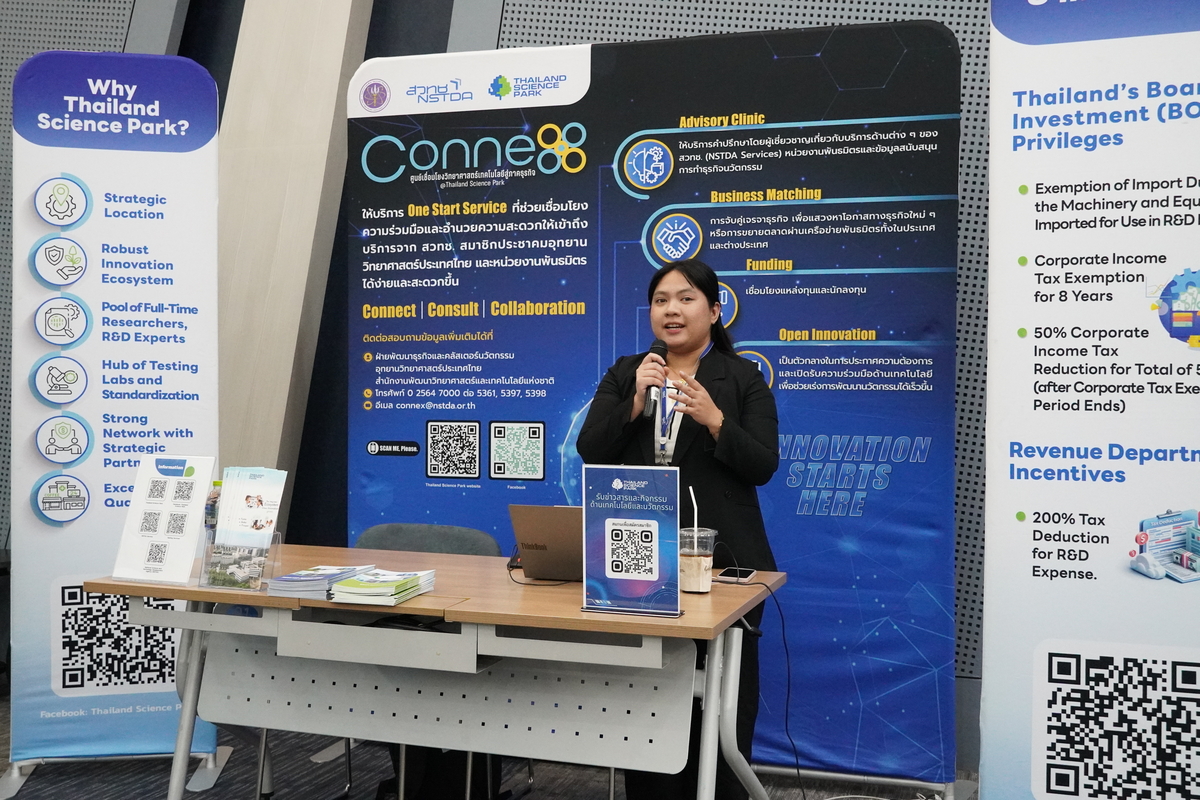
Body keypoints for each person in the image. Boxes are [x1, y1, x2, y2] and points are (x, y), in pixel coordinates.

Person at [576, 258, 779, 800]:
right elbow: (590, 448)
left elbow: (763, 464)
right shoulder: (627, 372)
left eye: (686, 298)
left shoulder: (742, 378)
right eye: (661, 300)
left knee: (723, 707)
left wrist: (715, 420)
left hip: (726, 566)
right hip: (642, 564)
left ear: (713, 311)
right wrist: (633, 404)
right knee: (648, 703)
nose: (672, 310)